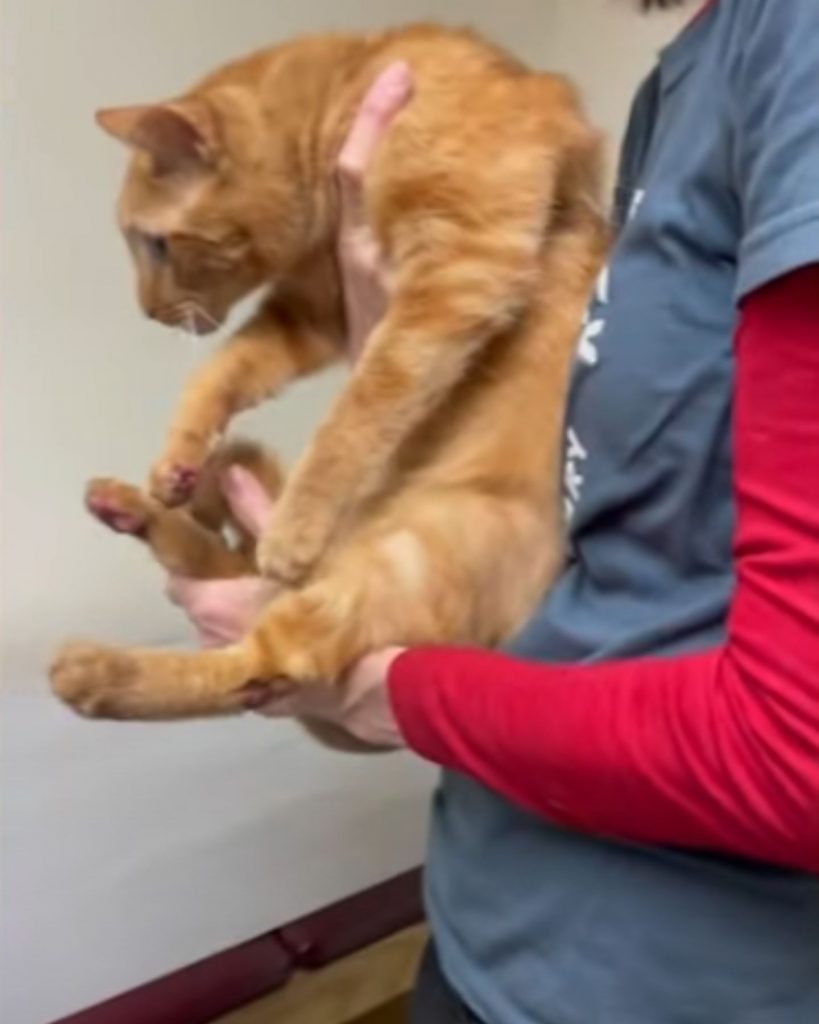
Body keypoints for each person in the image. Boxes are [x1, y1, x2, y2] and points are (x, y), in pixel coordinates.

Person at [167, 0, 819, 1020]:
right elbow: (621, 580)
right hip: (493, 930)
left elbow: (797, 760)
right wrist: (368, 588)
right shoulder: (681, 88)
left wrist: (406, 692)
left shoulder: (794, 40)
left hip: (658, 986)